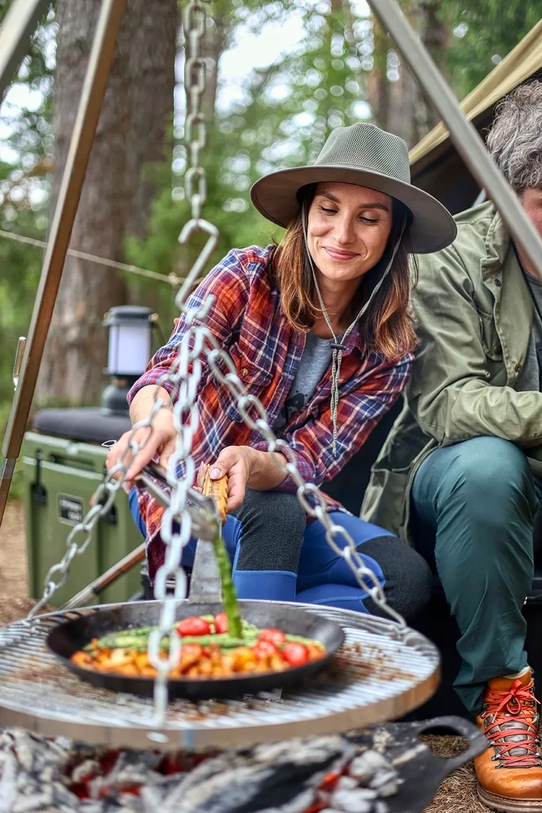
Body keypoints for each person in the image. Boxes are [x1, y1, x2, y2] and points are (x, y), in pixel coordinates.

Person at [106, 121, 456, 622]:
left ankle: (233, 624)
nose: (342, 234)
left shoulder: (390, 349)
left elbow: (308, 460)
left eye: (368, 218)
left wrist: (255, 462)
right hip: (189, 490)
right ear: (306, 212)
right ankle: (253, 655)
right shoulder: (246, 277)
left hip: (281, 497)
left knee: (403, 579)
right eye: (328, 210)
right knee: (276, 516)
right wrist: (156, 417)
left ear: (393, 232)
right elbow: (172, 367)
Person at [362, 80, 542, 810]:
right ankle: (502, 695)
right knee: (487, 467)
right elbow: (448, 403)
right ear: (506, 192)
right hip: (453, 480)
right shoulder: (449, 257)